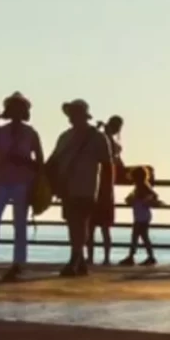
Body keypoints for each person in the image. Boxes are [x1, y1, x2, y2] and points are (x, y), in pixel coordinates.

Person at [0, 92, 44, 281]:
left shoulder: (30, 133)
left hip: (23, 182)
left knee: (20, 223)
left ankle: (18, 263)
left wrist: (25, 164)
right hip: (2, 180)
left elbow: (39, 161)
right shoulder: (0, 132)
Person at [48, 99, 112, 277]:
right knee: (72, 223)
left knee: (81, 222)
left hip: (87, 187)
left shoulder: (97, 137)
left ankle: (74, 258)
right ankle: (80, 260)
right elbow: (53, 160)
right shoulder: (65, 137)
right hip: (67, 186)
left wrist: (106, 192)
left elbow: (108, 165)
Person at [87, 116, 123, 266]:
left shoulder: (109, 143)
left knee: (94, 227)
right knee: (101, 228)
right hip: (103, 190)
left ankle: (93, 258)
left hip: (99, 188)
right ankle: (102, 257)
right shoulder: (108, 143)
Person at [120, 167, 162, 267]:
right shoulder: (140, 187)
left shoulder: (142, 187)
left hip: (141, 216)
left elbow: (153, 195)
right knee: (141, 236)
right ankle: (145, 256)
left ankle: (135, 257)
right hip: (141, 215)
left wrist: (144, 200)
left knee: (138, 236)